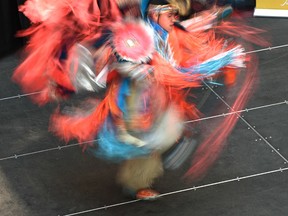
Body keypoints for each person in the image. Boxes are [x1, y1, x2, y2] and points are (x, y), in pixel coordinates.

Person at [13, 0, 266, 201]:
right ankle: (137, 183)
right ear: (156, 14)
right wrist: (140, 70)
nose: (174, 18)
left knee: (162, 129)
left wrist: (212, 19)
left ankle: (154, 161)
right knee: (145, 137)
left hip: (155, 90)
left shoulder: (165, 28)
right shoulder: (133, 32)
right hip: (134, 96)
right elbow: (116, 58)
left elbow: (183, 33)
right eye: (170, 15)